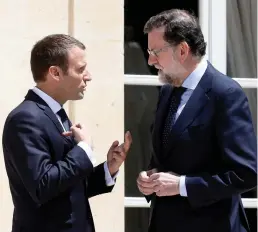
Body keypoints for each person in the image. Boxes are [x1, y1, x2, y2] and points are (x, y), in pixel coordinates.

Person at [136, 9, 257, 232]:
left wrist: (182, 185)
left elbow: (246, 174)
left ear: (182, 50)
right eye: (148, 51)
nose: (151, 60)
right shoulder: (167, 92)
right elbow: (167, 156)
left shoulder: (225, 94)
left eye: (156, 51)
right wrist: (151, 177)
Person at [2, 34, 132, 232]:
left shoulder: (53, 114)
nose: (88, 76)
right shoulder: (26, 119)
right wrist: (83, 150)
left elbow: (68, 189)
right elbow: (42, 186)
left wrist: (108, 169)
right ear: (55, 72)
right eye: (80, 69)